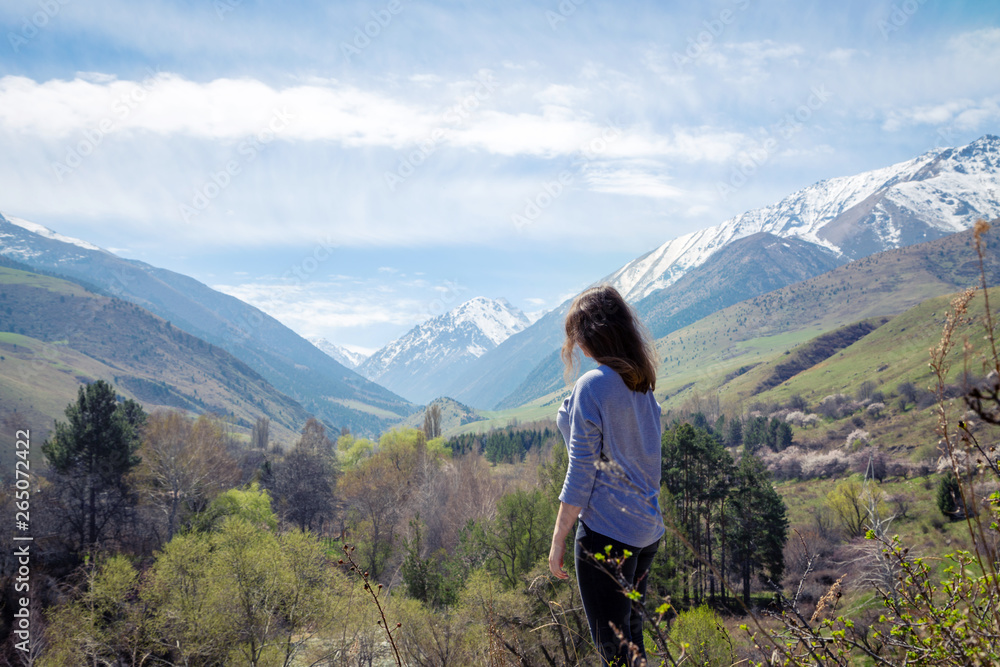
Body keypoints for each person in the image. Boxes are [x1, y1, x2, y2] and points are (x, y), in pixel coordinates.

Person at [547, 284, 663, 667]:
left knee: (614, 652)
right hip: (645, 532)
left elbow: (581, 471)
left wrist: (559, 538)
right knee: (632, 642)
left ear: (589, 335)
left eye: (576, 335)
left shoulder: (593, 384)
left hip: (606, 535)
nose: (575, 345)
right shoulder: (641, 385)